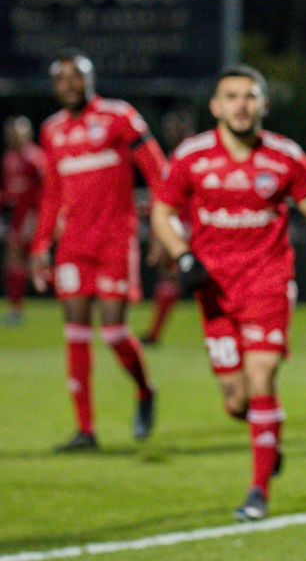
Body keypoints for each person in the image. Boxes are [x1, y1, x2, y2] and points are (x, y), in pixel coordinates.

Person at [150, 65, 306, 521]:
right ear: (216, 107)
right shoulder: (192, 157)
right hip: (214, 290)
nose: (241, 105)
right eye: (231, 96)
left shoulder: (284, 156)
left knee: (261, 378)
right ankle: (268, 439)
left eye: (250, 96)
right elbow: (161, 211)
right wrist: (183, 255)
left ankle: (258, 492)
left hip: (267, 284)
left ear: (263, 105)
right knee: (236, 400)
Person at [31, 54, 165, 451]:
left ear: (91, 79)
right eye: (62, 78)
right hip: (73, 245)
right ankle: (85, 430)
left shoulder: (118, 116)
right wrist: (41, 244)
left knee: (112, 331)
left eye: (77, 75)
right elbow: (52, 194)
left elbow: (158, 171)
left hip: (114, 241)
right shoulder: (52, 130)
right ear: (55, 87)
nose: (70, 83)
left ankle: (145, 389)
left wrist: (164, 228)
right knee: (75, 330)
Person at [141, 109, 197, 346]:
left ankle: (154, 334)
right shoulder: (179, 155)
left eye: (175, 128)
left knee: (171, 276)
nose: (170, 132)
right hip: (185, 224)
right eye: (169, 128)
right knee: (171, 277)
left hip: (188, 225)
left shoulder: (188, 155)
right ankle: (153, 334)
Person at [3, 115, 44, 325]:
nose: (14, 137)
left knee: (23, 260)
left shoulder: (35, 157)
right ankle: (15, 309)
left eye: (17, 133)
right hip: (16, 216)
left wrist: (41, 217)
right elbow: (7, 190)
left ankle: (16, 310)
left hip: (31, 216)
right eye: (11, 134)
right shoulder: (9, 158)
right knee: (15, 262)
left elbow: (48, 188)